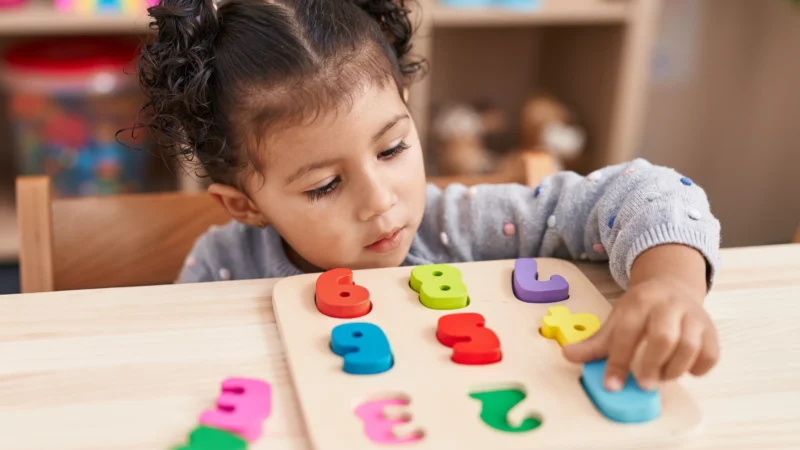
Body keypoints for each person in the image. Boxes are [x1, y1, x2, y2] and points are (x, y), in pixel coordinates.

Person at [135, 0, 721, 394]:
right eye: (324, 185)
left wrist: (668, 286)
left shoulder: (460, 228)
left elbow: (648, 191)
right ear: (245, 205)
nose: (380, 202)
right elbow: (183, 387)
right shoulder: (222, 268)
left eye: (392, 149)